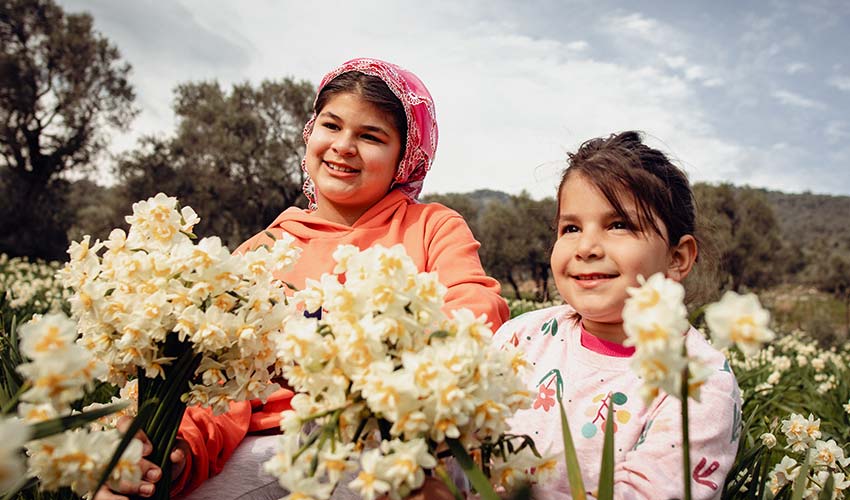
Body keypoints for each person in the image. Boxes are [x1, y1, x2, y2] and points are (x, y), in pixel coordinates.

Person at [98, 58, 508, 500]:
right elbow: (219, 391)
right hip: (264, 448)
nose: (344, 146)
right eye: (331, 126)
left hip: (388, 438)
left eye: (371, 136)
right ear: (310, 132)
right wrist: (180, 451)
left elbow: (477, 312)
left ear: (404, 158)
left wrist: (349, 361)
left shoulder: (432, 227)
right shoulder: (261, 253)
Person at [493, 131, 741, 499]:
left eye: (619, 225)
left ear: (678, 258)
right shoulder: (521, 337)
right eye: (571, 228)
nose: (587, 247)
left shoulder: (699, 383)